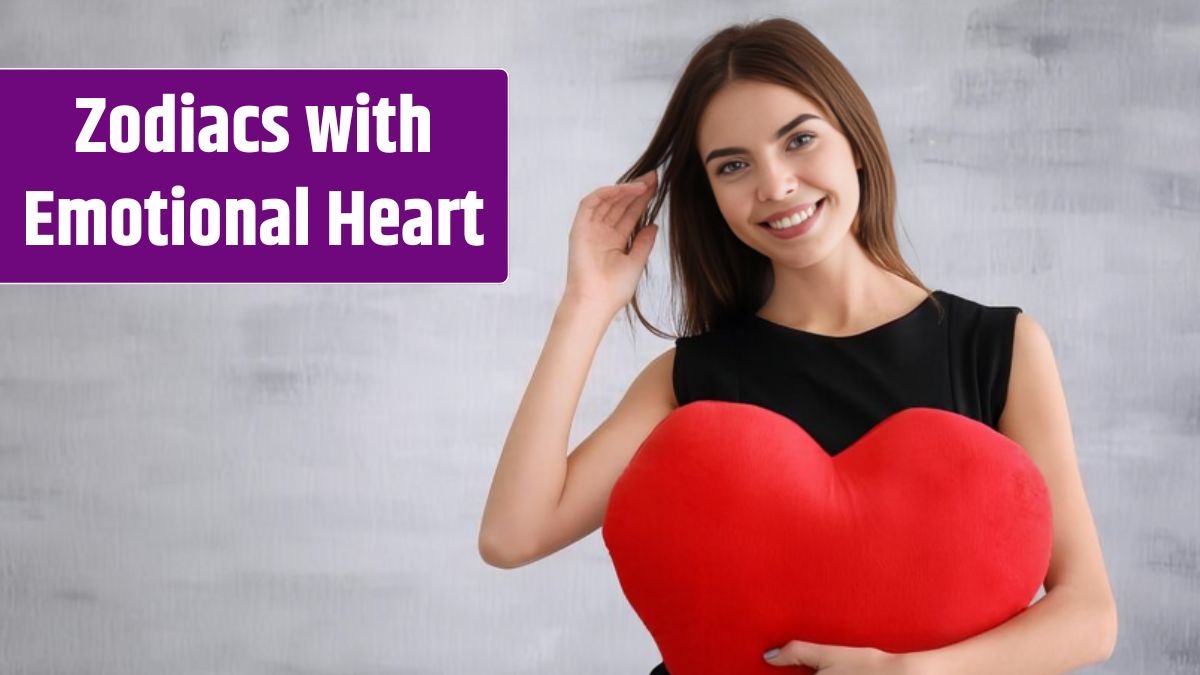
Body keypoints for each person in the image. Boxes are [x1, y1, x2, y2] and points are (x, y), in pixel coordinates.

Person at [479, 17, 1117, 675]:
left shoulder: (999, 347)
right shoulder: (691, 375)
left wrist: (908, 671)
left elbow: (1088, 614)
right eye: (734, 165)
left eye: (800, 140)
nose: (776, 184)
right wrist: (585, 306)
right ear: (713, 196)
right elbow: (512, 536)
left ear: (856, 144)